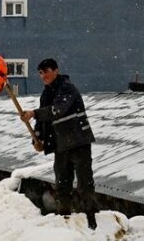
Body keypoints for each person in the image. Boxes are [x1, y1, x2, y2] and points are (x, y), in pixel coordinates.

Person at [21, 59, 95, 208]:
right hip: (60, 144)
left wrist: (33, 113)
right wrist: (37, 138)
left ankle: (91, 215)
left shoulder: (67, 88)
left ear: (56, 71)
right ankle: (64, 215)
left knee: (84, 183)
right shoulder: (46, 94)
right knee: (62, 184)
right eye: (40, 73)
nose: (43, 76)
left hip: (78, 141)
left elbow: (57, 110)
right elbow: (42, 122)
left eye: (46, 72)